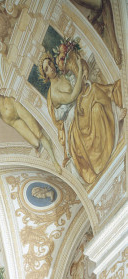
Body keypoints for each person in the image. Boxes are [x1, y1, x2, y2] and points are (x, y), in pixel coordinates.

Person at [39, 49, 124, 184]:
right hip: (74, 117)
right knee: (94, 90)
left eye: (50, 63)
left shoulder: (63, 75)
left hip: (80, 101)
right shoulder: (54, 92)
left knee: (94, 93)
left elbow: (78, 86)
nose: (50, 68)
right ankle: (116, 111)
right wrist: (79, 69)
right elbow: (72, 96)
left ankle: (114, 109)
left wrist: (81, 70)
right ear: (46, 75)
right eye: (46, 69)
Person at [0, 65, 62, 172]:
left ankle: (54, 161)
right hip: (11, 120)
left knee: (39, 134)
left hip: (14, 105)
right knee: (36, 143)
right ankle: (41, 145)